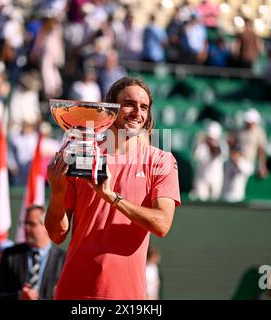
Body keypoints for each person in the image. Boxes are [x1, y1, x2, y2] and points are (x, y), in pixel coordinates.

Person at [46, 76, 181, 299]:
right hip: (74, 290)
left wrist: (111, 196)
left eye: (144, 107)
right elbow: (56, 234)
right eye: (129, 104)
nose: (137, 112)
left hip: (126, 296)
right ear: (109, 109)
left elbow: (162, 224)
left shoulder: (161, 161)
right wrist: (57, 192)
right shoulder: (83, 154)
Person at [0, 205, 66, 300]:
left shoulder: (62, 260)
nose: (26, 228)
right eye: (24, 223)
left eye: (31, 224)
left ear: (47, 226)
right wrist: (19, 296)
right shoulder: (11, 255)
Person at [189, 121, 227, 201]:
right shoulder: (202, 145)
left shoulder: (222, 145)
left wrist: (213, 145)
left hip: (216, 178)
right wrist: (199, 142)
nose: (211, 140)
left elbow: (221, 154)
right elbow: (196, 156)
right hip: (202, 177)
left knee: (215, 202)